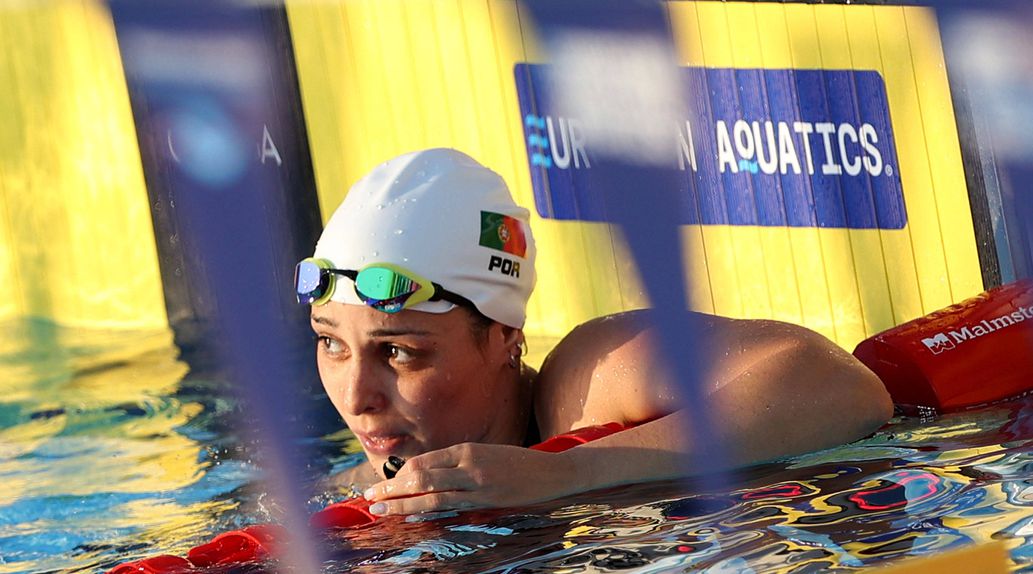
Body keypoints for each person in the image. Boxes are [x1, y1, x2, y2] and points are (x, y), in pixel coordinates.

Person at [296, 148, 893, 517]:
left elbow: (838, 386)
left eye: (398, 352)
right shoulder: (343, 495)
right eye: (331, 343)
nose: (355, 397)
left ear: (504, 335)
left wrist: (566, 473)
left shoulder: (583, 387)